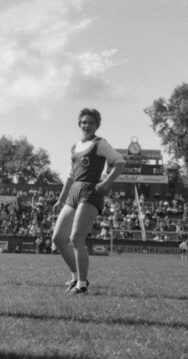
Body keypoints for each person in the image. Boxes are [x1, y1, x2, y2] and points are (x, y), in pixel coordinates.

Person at [51, 108, 125, 295]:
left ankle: (82, 285)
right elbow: (70, 175)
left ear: (97, 125)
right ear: (79, 123)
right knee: (58, 239)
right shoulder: (75, 147)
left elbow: (119, 162)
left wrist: (106, 182)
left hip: (90, 192)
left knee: (76, 238)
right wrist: (61, 198)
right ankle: (76, 277)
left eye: (91, 122)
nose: (87, 125)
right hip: (74, 192)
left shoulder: (100, 143)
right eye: (84, 122)